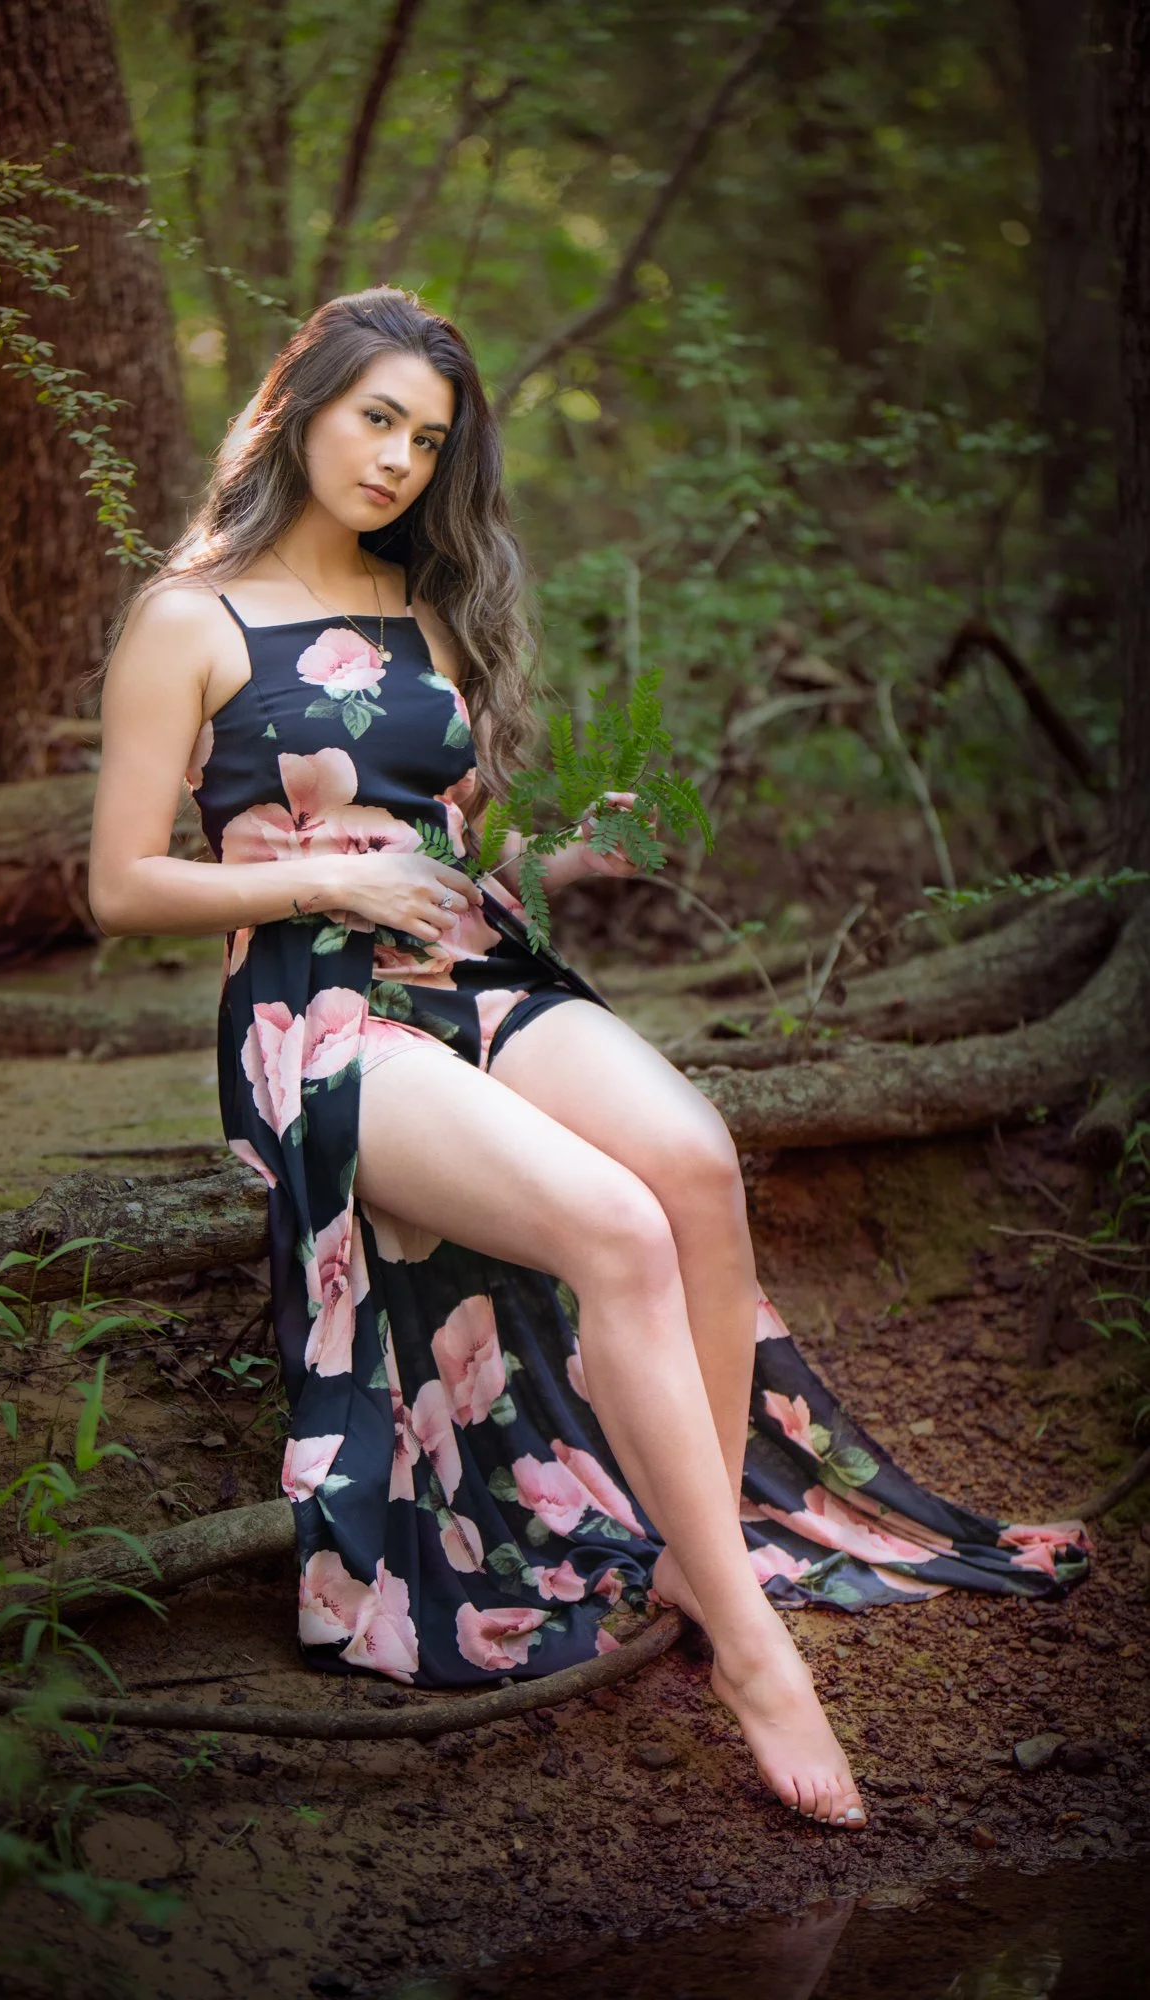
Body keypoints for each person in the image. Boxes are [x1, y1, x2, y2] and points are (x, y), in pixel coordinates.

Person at [88, 286, 1090, 1835]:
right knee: (613, 1227)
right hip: (319, 1007)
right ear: (298, 408)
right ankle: (754, 1653)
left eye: (429, 439)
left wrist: (535, 849)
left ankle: (705, 1539)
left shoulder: (418, 602)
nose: (401, 461)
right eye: (377, 420)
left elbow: (446, 827)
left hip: (473, 961)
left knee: (690, 1160)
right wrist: (331, 878)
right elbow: (118, 887)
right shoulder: (189, 617)